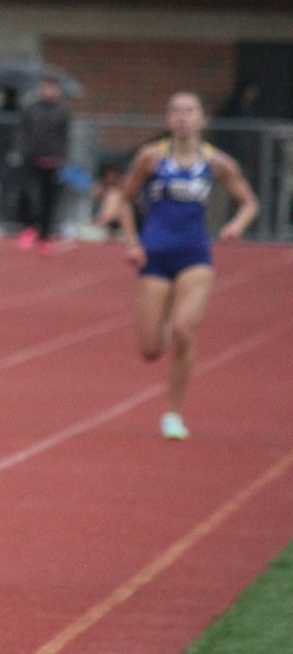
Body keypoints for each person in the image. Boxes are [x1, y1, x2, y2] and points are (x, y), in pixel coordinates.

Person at [111, 91, 258, 442]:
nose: (182, 118)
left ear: (203, 120)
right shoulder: (151, 158)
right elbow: (124, 198)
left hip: (194, 256)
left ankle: (173, 413)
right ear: (167, 120)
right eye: (175, 111)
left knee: (183, 332)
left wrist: (236, 225)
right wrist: (131, 241)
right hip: (155, 255)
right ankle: (160, 317)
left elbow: (249, 202)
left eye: (190, 111)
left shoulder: (217, 162)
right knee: (149, 350)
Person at [12, 74, 73, 252]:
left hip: (52, 162)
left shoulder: (62, 112)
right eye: (46, 87)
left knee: (49, 199)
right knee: (27, 195)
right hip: (31, 159)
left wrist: (58, 157)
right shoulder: (31, 109)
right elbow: (21, 132)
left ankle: (45, 236)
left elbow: (64, 138)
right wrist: (22, 152)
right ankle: (29, 227)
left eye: (53, 88)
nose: (49, 91)